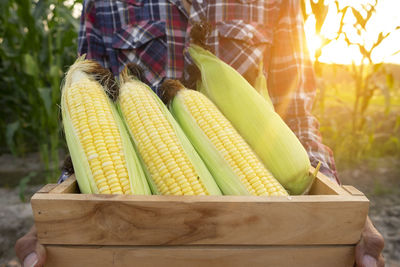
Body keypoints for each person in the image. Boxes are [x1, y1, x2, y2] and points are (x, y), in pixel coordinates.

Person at [15, 0, 384, 266]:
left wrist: (343, 212)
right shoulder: (105, 5)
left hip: (264, 238)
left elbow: (297, 120)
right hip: (140, 243)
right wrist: (60, 217)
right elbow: (90, 130)